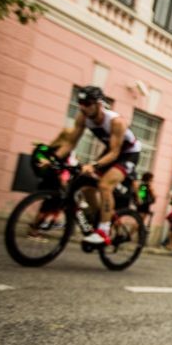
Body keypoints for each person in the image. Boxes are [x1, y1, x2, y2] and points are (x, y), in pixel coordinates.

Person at [50, 86, 141, 245]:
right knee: (86, 188)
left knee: (105, 185)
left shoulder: (116, 121)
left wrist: (94, 165)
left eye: (88, 103)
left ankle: (103, 231)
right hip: (110, 152)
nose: (83, 107)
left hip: (127, 153)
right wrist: (53, 159)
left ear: (99, 104)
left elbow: (114, 152)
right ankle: (101, 216)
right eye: (81, 103)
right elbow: (70, 143)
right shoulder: (82, 117)